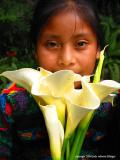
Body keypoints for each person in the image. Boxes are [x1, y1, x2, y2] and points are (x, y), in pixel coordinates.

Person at [0, 0, 120, 159]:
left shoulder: (112, 105)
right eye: (52, 44)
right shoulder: (11, 103)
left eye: (81, 43)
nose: (66, 59)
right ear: (35, 49)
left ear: (98, 49)